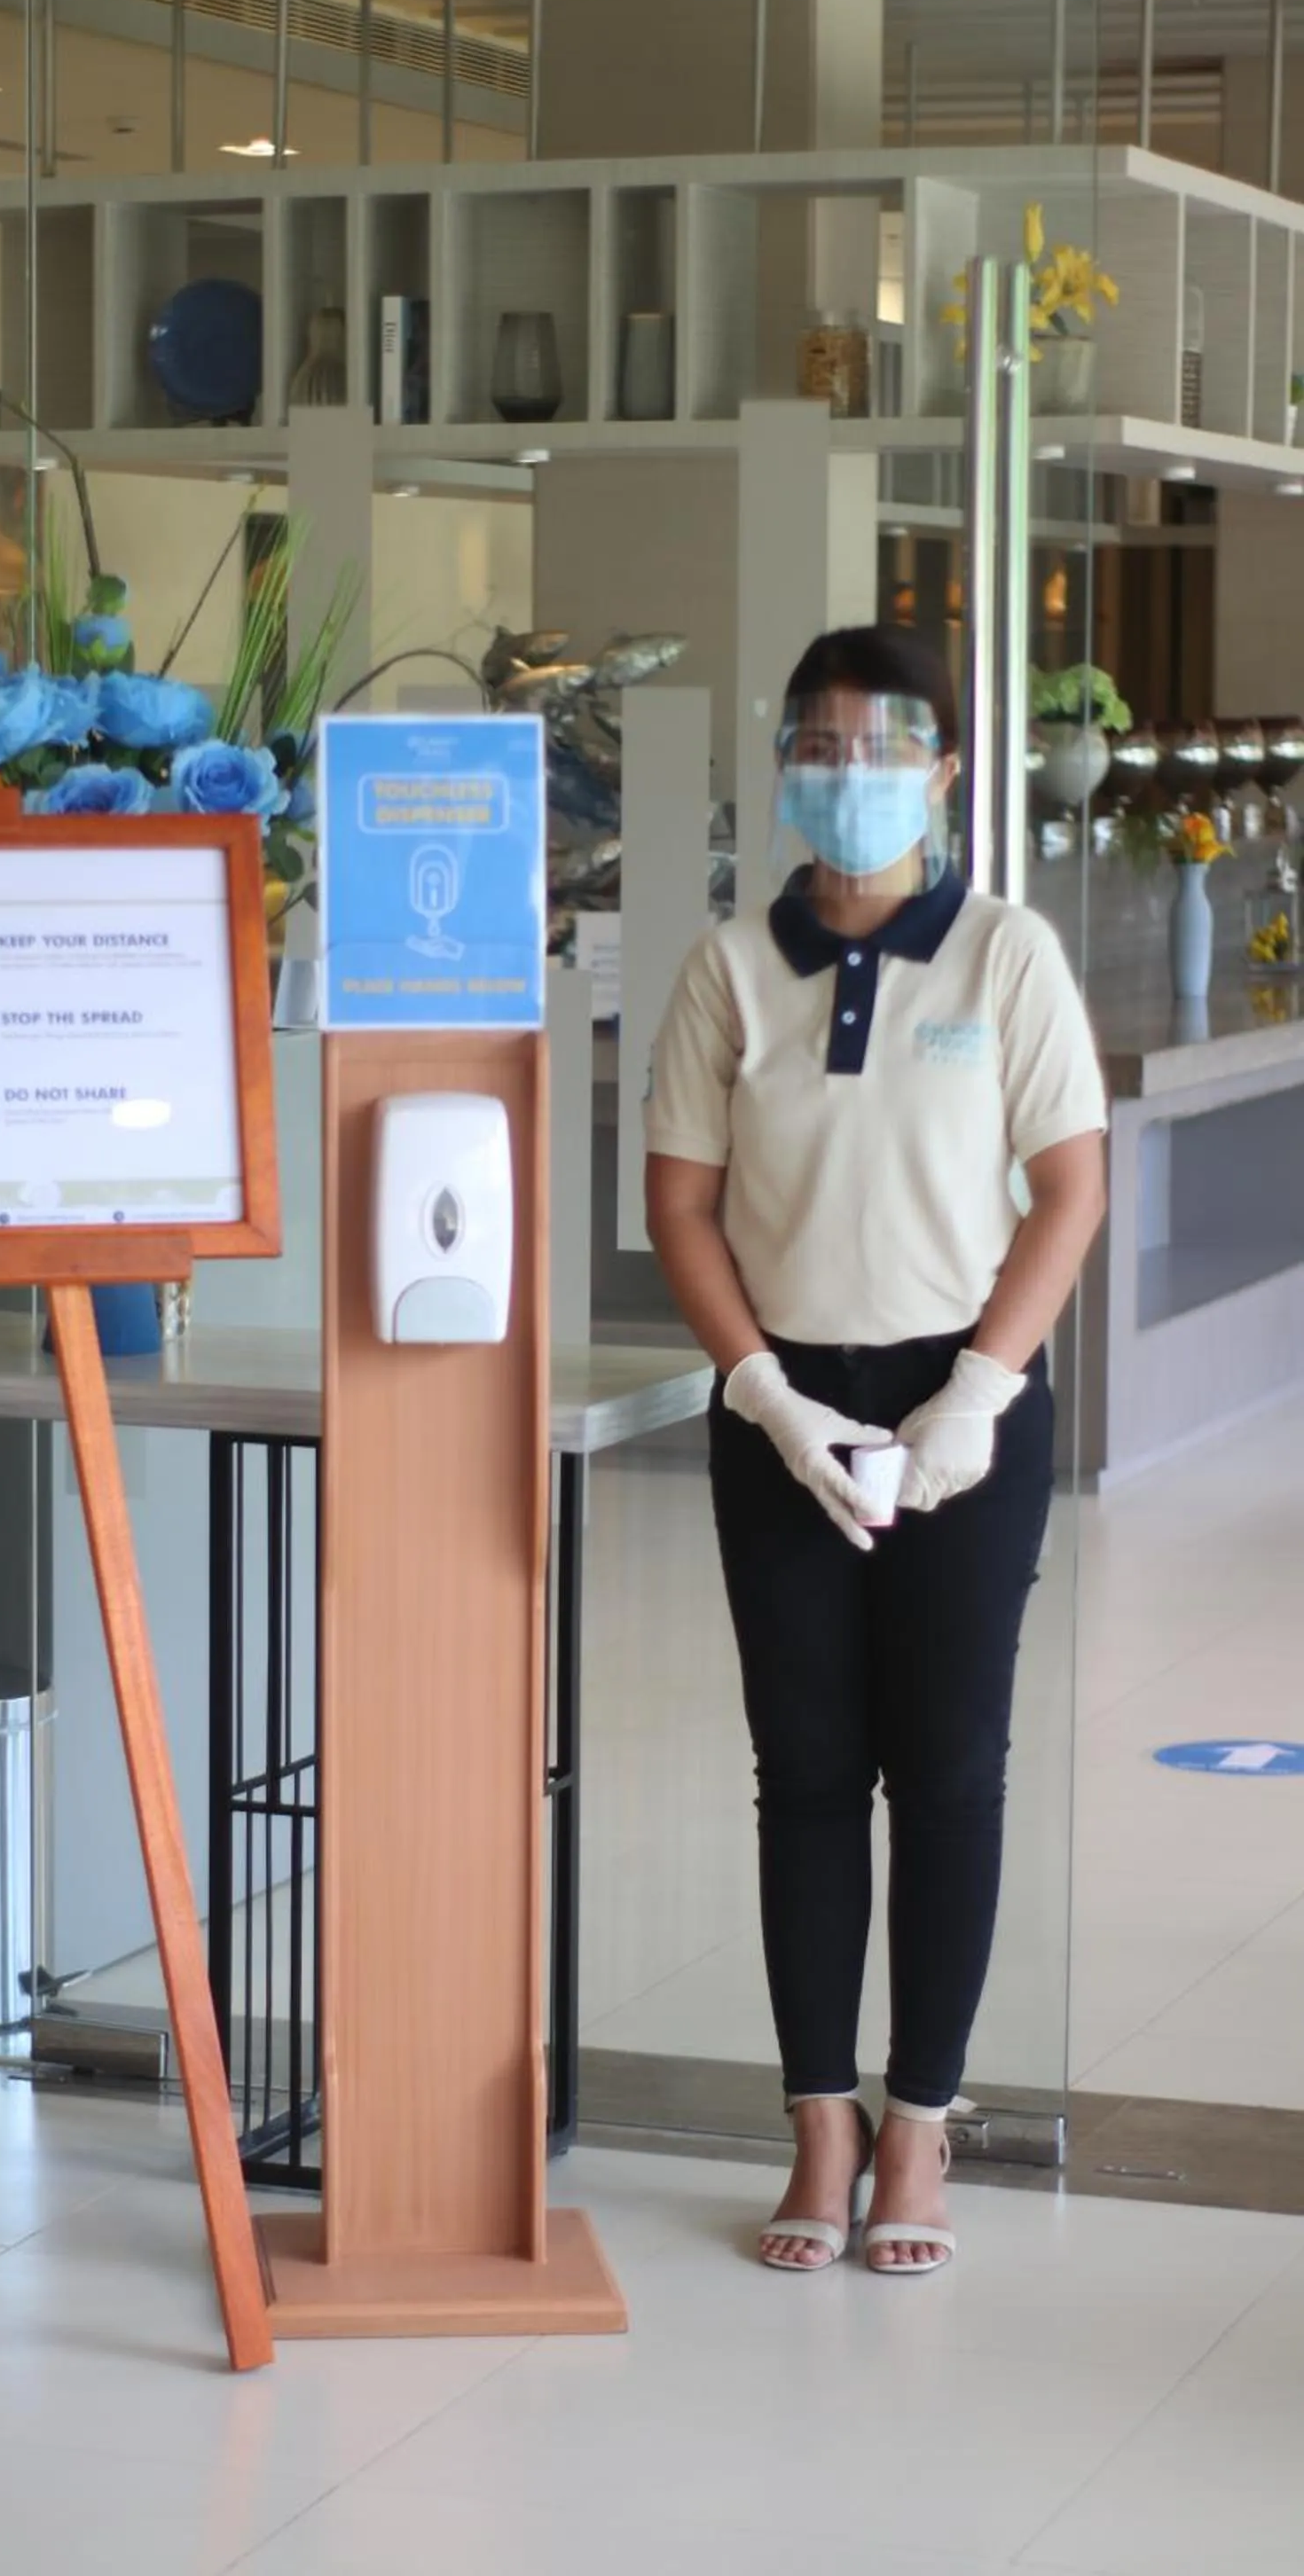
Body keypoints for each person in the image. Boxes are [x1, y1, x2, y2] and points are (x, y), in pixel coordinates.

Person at [644, 626, 1106, 2277]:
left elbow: (1070, 1191)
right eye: (817, 747)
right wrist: (768, 1397)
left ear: (945, 771)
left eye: (880, 747)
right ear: (782, 770)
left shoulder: (1003, 958)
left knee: (953, 1771)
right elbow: (682, 1205)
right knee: (809, 1772)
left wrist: (975, 1396)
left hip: (960, 1404)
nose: (847, 777)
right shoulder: (728, 968)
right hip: (786, 1407)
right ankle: (818, 2118)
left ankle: (921, 2127)